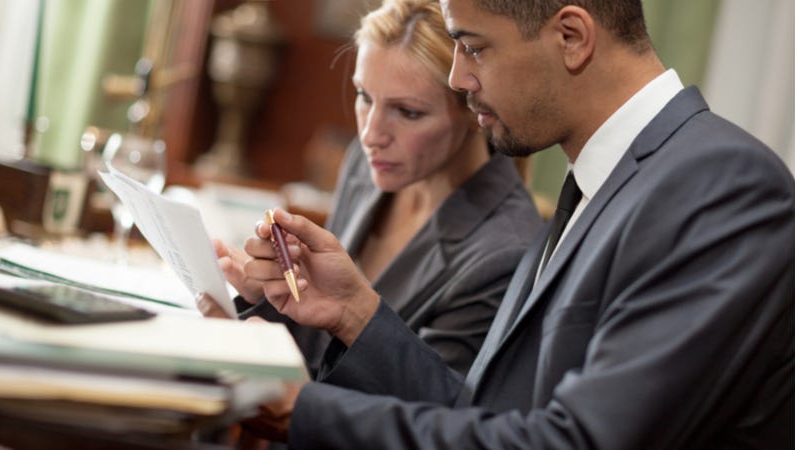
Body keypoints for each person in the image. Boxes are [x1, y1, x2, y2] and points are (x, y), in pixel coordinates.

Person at [201, 0, 794, 448]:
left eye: (474, 46)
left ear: (571, 37)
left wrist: (300, 410)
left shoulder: (721, 184)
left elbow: (575, 442)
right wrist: (355, 311)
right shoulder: (598, 179)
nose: (458, 77)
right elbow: (483, 414)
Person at [207, 0, 542, 377]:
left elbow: (433, 411)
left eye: (408, 112)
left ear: (474, 109)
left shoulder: (505, 252)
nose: (370, 135)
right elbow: (322, 342)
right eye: (364, 97)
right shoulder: (366, 168)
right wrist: (265, 299)